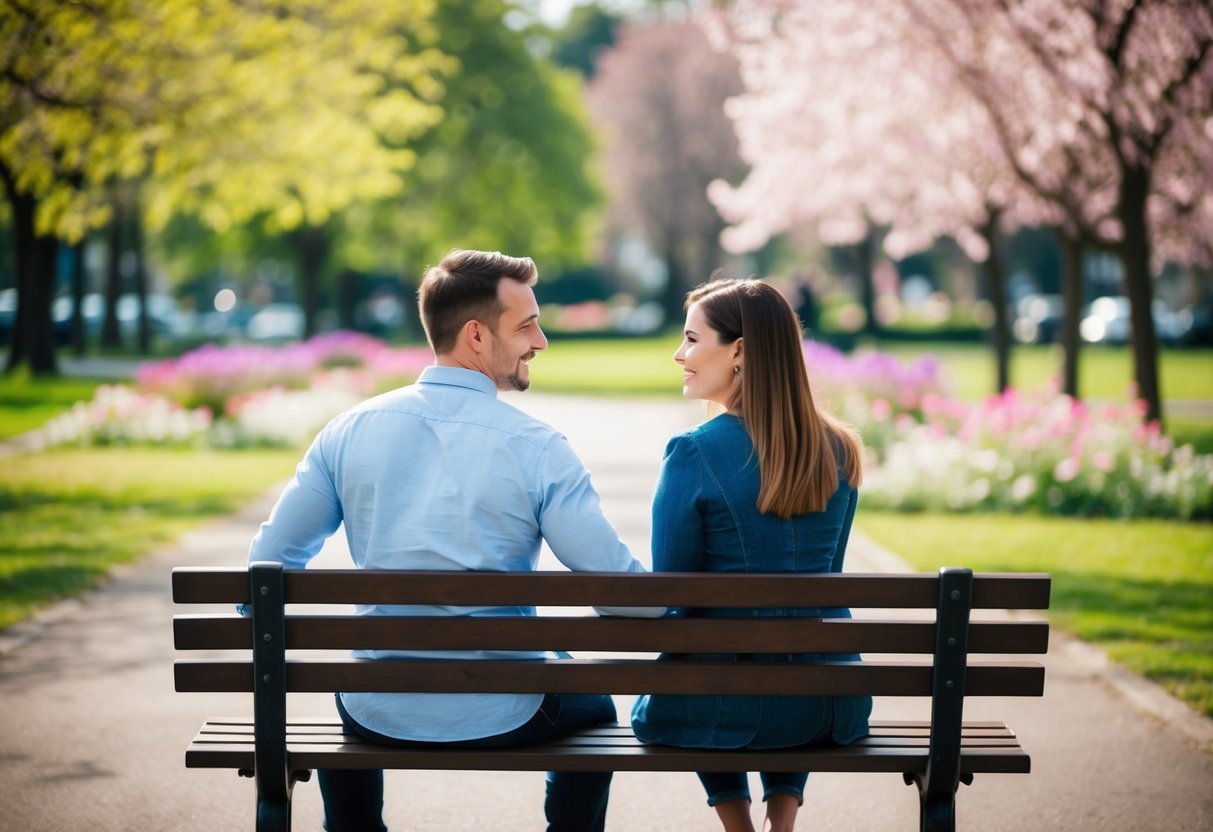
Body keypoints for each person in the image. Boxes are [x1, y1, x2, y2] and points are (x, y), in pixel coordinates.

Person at [246, 249, 652, 832]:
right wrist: (678, 606)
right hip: (507, 708)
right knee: (596, 706)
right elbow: (617, 593)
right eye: (526, 325)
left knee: (348, 700)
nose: (540, 341)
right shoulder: (538, 448)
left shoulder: (348, 431)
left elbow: (266, 564)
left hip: (375, 706)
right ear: (476, 336)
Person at [630, 277, 872, 832]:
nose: (679, 354)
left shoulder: (692, 452)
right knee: (798, 644)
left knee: (692, 671)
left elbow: (673, 600)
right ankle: (781, 820)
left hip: (722, 709)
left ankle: (738, 826)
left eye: (692, 339)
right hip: (830, 707)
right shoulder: (840, 449)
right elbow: (823, 595)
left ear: (738, 350)